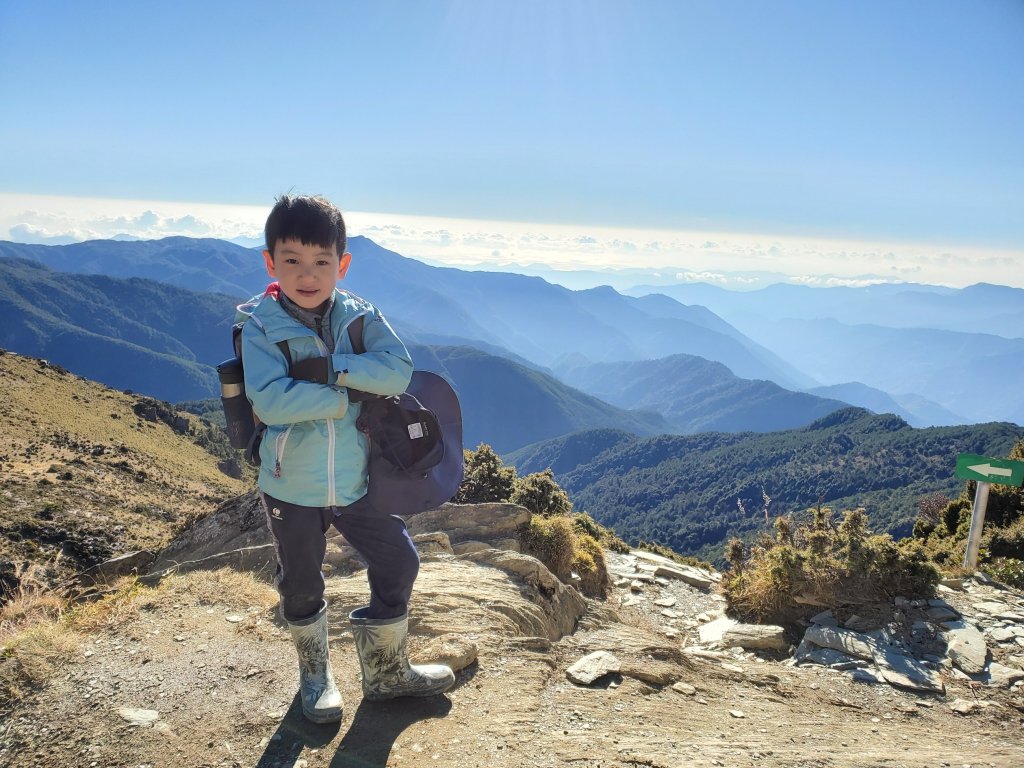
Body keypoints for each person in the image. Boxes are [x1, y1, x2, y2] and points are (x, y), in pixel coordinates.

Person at [238, 194, 454, 724]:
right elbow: (270, 401)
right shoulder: (260, 327)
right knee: (303, 581)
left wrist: (329, 369)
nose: (307, 275)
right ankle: (315, 676)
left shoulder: (360, 316)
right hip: (293, 483)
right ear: (270, 262)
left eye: (321, 262)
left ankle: (385, 672)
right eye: (291, 260)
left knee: (399, 560)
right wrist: (348, 394)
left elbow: (398, 373)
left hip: (359, 480)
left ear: (343, 263)